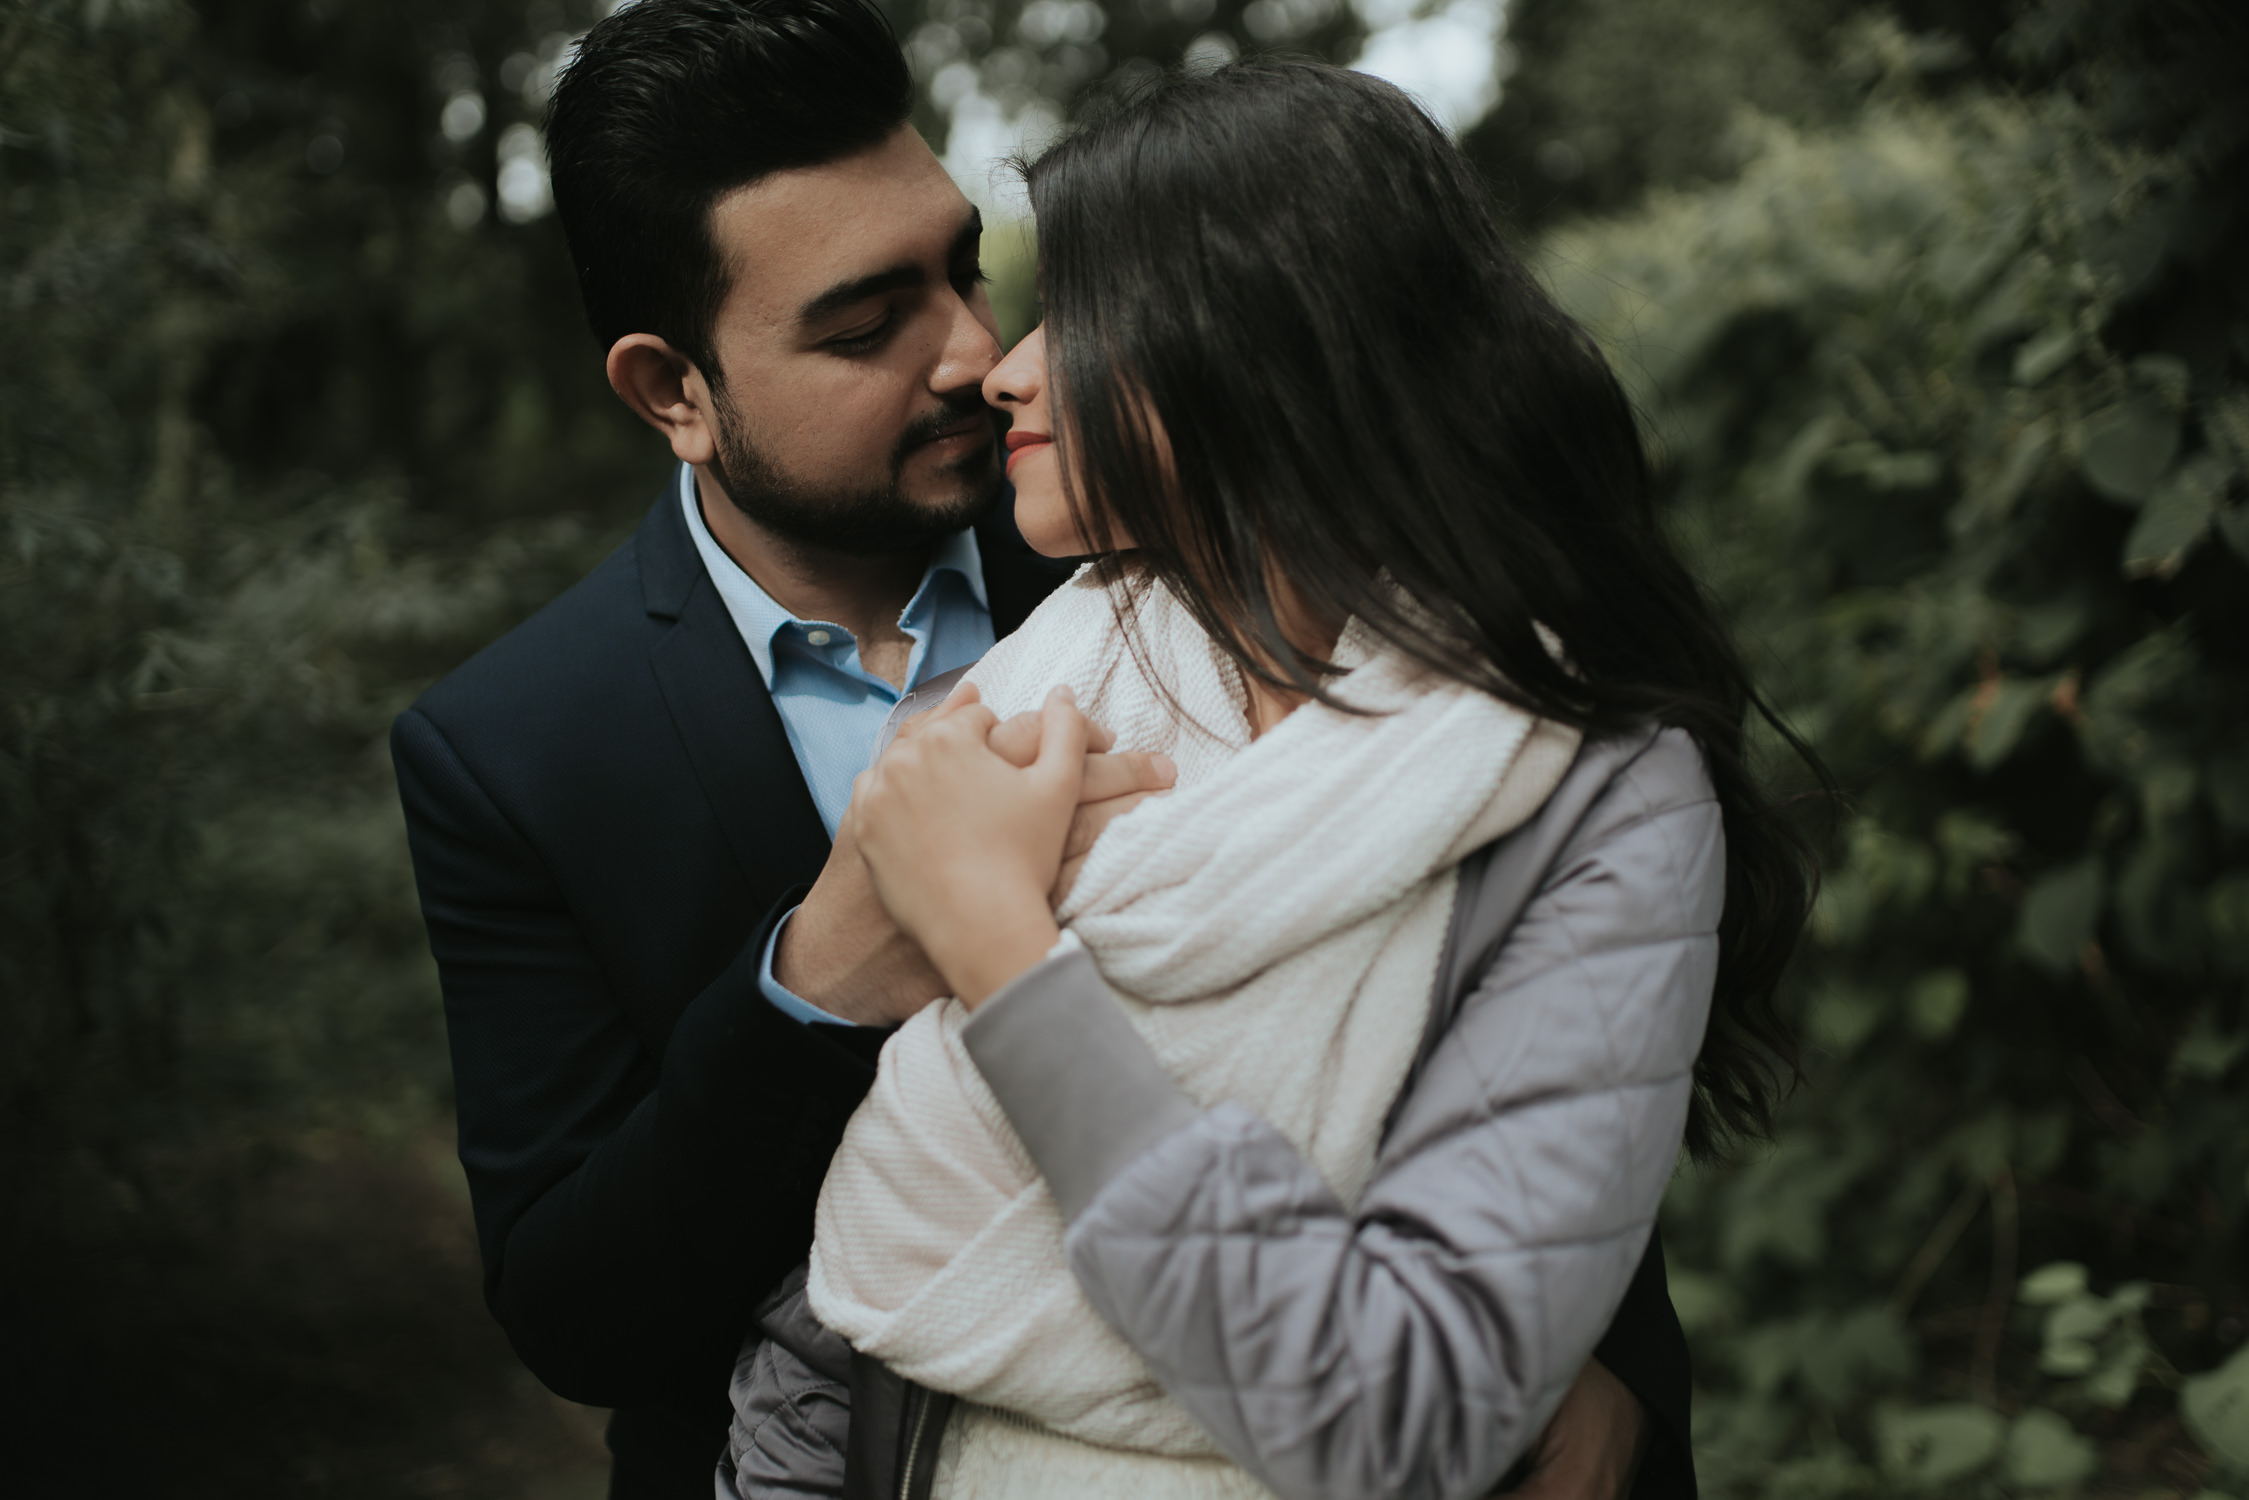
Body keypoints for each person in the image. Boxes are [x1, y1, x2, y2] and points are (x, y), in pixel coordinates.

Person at [389, 2, 1692, 1495]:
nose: (971, 352)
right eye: (866, 326)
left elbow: (1476, 984)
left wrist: (1601, 1365)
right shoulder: (518, 745)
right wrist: (820, 981)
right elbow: (578, 1315)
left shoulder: (1166, 534)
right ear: (673, 391)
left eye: (963, 270)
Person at [722, 57, 1817, 1500]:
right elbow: (845, 1281)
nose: (1005, 364)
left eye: (1082, 315)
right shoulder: (1048, 675)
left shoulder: (1595, 792)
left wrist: (998, 942)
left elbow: (1403, 1417)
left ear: (1262, 349)